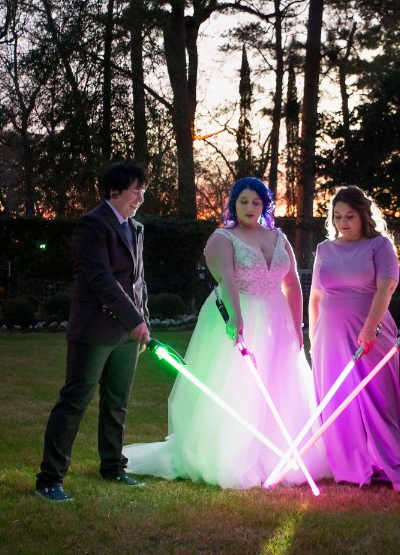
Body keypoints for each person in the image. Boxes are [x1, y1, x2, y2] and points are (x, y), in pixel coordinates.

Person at [124, 177, 329, 489]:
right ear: (234, 203)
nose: (249, 207)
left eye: (256, 202)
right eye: (243, 201)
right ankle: (232, 455)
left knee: (280, 385)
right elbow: (227, 281)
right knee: (241, 386)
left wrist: (297, 324)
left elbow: (291, 283)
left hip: (278, 319)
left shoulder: (278, 237)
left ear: (265, 205)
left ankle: (277, 457)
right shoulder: (223, 238)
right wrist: (236, 318)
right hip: (239, 312)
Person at [35, 160, 152, 503]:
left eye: (143, 191)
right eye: (135, 191)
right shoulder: (91, 225)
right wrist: (135, 320)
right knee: (74, 401)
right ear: (114, 192)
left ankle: (113, 467)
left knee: (117, 403)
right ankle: (48, 479)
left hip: (126, 335)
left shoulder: (136, 228)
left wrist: (143, 318)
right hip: (93, 330)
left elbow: (137, 281)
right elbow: (101, 278)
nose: (140, 198)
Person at [309, 186, 400, 492]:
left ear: (363, 216)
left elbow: (386, 287)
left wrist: (369, 327)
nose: (343, 222)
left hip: (371, 332)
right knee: (338, 403)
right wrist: (313, 335)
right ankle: (352, 468)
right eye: (338, 216)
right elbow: (315, 295)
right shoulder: (324, 250)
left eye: (350, 216)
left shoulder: (380, 246)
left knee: (376, 402)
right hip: (329, 335)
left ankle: (396, 470)